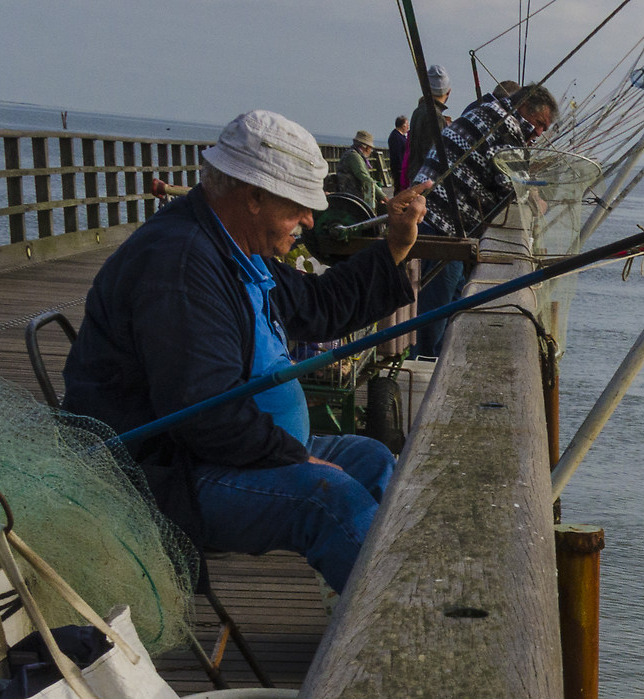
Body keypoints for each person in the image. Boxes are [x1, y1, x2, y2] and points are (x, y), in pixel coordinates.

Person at [62, 110, 427, 592]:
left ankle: (375, 600)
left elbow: (317, 304)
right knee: (328, 497)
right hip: (171, 472)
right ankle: (397, 616)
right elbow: (204, 411)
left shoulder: (234, 247)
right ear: (253, 196)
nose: (309, 220)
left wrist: (395, 246)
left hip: (237, 448)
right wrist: (292, 458)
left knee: (373, 458)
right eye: (298, 205)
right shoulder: (180, 265)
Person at [412, 85, 557, 355]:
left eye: (544, 129)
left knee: (456, 298)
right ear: (524, 108)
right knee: (437, 309)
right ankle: (425, 360)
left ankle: (437, 357)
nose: (539, 133)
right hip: (442, 223)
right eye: (539, 124)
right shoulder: (506, 126)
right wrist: (536, 199)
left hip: (440, 219)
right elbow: (511, 186)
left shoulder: (492, 112)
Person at [404, 66, 452, 193]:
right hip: (427, 183)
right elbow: (433, 156)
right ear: (448, 92)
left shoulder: (418, 111)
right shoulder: (435, 116)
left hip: (415, 176)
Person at [337, 129, 383, 211]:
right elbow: (365, 178)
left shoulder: (352, 153)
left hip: (348, 192)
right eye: (371, 148)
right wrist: (383, 197)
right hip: (352, 195)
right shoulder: (354, 156)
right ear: (367, 148)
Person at [388, 114, 411, 189]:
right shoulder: (395, 137)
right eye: (407, 125)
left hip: (401, 167)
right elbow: (397, 154)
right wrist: (401, 168)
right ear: (403, 125)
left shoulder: (399, 136)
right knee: (399, 188)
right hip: (398, 168)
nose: (408, 127)